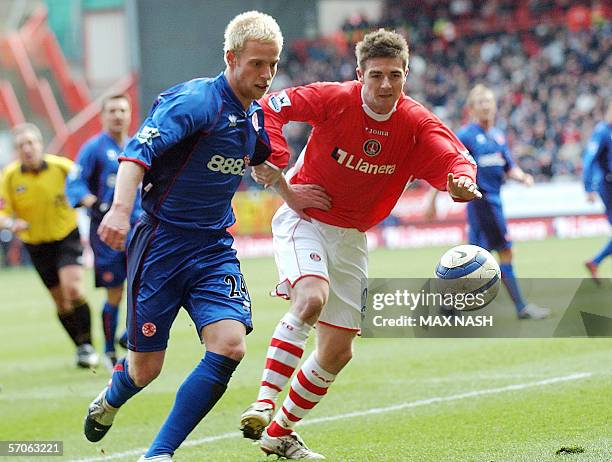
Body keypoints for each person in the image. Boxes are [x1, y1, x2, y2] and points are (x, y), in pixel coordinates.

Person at [240, 29, 482, 460]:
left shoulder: (414, 122)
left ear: (406, 75)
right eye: (376, 75)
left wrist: (462, 181)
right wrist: (277, 166)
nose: (385, 85)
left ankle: (278, 432)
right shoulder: (334, 98)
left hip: (351, 237)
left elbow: (453, 155)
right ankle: (262, 402)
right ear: (360, 75)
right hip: (305, 219)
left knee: (337, 352)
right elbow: (270, 107)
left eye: (395, 75)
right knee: (311, 298)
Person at [82, 11, 295, 462]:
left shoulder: (253, 117)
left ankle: (158, 454)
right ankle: (111, 398)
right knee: (145, 369)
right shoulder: (194, 102)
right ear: (231, 57)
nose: (266, 75)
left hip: (213, 250)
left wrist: (291, 191)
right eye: (257, 64)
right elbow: (136, 154)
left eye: (273, 64)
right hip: (161, 245)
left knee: (231, 346)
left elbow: (260, 161)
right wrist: (120, 211)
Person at [426, 84, 550, 319]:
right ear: (472, 108)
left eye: (489, 102)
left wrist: (522, 176)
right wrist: (432, 198)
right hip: (481, 202)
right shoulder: (466, 136)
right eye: (481, 102)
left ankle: (448, 305)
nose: (486, 106)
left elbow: (508, 166)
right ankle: (521, 308)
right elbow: (447, 166)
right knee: (504, 252)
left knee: (476, 257)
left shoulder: (498, 135)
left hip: (494, 201)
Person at [0, 123, 98, 368]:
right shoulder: (10, 177)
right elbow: (2, 212)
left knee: (73, 290)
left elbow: (82, 186)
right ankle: (80, 347)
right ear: (16, 151)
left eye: (31, 143)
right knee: (61, 302)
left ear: (40, 144)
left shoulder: (62, 167)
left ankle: (88, 344)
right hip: (36, 246)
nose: (27, 149)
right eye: (21, 145)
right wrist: (11, 223)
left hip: (67, 236)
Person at [66, 94, 141, 368]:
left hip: (139, 229)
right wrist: (95, 204)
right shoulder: (93, 149)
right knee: (115, 291)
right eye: (112, 111)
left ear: (130, 114)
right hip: (108, 233)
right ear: (103, 116)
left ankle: (128, 334)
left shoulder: (138, 145)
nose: (118, 115)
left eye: (123, 110)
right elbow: (74, 184)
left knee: (145, 285)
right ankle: (110, 351)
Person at [583, 101, 611, 283]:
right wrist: (588, 188)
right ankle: (595, 261)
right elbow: (589, 160)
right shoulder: (602, 131)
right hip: (608, 186)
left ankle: (595, 261)